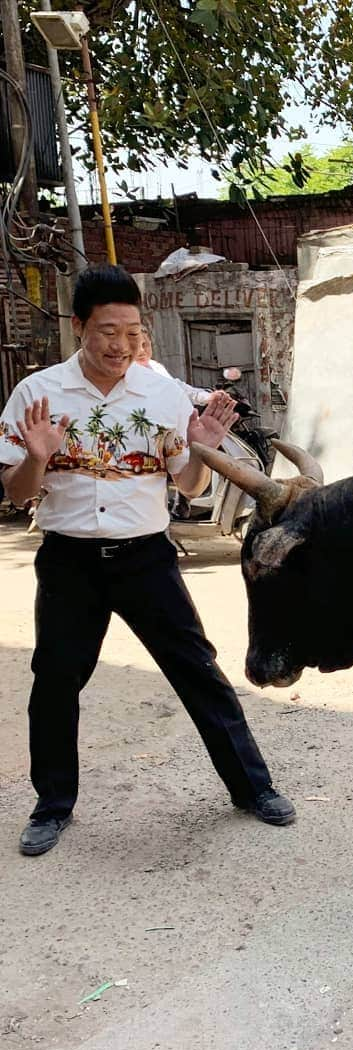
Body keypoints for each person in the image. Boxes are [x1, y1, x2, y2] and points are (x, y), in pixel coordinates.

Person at [0, 265, 295, 856]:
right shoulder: (37, 395)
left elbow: (185, 485)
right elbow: (17, 493)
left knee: (198, 672)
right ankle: (52, 806)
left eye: (133, 333)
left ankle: (252, 789)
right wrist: (37, 457)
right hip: (70, 562)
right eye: (108, 331)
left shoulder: (161, 393)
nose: (122, 345)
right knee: (55, 682)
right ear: (79, 327)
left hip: (146, 559)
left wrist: (203, 445)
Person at [134, 323, 214, 406]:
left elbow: (177, 387)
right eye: (134, 347)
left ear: (150, 343)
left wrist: (208, 397)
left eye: (144, 344)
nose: (141, 351)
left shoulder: (155, 366)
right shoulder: (126, 376)